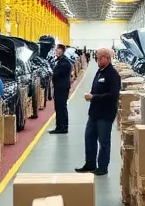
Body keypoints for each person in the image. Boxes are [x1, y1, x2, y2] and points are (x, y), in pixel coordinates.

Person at [76, 47, 119, 176]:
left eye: (100, 58)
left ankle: (102, 167)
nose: (98, 60)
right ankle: (90, 164)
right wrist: (91, 95)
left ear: (107, 58)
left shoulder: (113, 75)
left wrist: (94, 97)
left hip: (105, 114)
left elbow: (113, 95)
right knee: (89, 137)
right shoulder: (99, 72)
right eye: (97, 58)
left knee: (104, 141)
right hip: (94, 113)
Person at [49, 43, 73, 134]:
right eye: (56, 50)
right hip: (59, 87)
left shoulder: (64, 62)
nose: (57, 52)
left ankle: (62, 127)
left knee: (61, 107)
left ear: (63, 51)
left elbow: (56, 74)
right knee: (58, 107)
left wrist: (53, 73)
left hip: (62, 88)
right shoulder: (61, 61)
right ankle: (59, 126)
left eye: (58, 51)